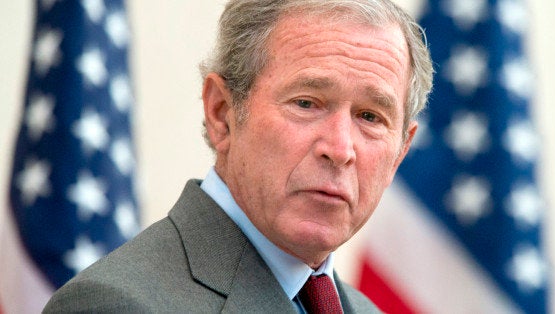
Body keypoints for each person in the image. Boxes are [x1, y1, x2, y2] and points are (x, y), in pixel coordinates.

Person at [44, 0, 433, 312]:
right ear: (222, 113)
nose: (340, 149)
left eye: (370, 116)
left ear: (400, 151)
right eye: (307, 102)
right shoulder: (113, 305)